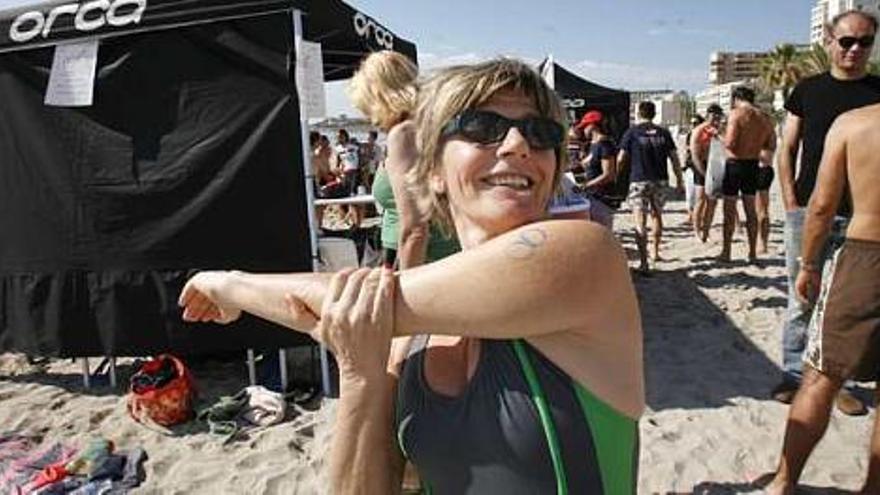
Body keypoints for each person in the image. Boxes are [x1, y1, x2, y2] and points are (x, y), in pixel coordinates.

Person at [178, 58, 643, 494]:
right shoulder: (410, 339)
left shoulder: (587, 257)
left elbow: (352, 303)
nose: (519, 144)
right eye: (482, 127)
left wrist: (228, 283)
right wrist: (360, 373)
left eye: (541, 133)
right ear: (435, 170)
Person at [763, 103, 880, 495]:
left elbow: (822, 206)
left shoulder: (855, 123)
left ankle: (784, 481)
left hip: (866, 254)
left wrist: (809, 264)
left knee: (819, 376)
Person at [770, 9, 880, 414]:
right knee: (801, 297)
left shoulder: (877, 92)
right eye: (847, 41)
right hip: (808, 210)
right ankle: (794, 375)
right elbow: (787, 147)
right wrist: (790, 200)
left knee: (848, 305)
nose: (854, 49)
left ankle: (840, 382)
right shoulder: (808, 90)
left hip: (862, 218)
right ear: (830, 42)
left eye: (864, 42)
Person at [349, 50, 460, 270]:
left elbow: (416, 228)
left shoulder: (405, 134)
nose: (369, 118)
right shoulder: (437, 126)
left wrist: (406, 287)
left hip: (424, 261)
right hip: (443, 256)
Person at [618, 100, 684, 273]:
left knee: (640, 219)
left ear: (639, 113)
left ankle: (644, 262)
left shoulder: (632, 132)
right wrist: (679, 180)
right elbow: (674, 158)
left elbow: (621, 158)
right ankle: (655, 251)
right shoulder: (663, 133)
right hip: (660, 179)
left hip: (638, 179)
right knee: (657, 215)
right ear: (654, 114)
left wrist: (617, 176)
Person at [718, 86, 775, 263]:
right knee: (751, 210)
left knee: (729, 210)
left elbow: (731, 143)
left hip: (735, 164)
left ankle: (726, 252)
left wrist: (720, 137)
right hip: (753, 164)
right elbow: (771, 144)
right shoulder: (764, 117)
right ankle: (752, 252)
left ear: (736, 98)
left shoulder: (736, 114)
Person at [689, 105, 725, 242]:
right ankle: (697, 231)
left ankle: (706, 231)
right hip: (701, 166)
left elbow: (726, 146)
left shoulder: (719, 130)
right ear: (708, 115)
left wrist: (718, 134)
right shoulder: (699, 130)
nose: (716, 119)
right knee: (701, 199)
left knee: (713, 201)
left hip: (714, 164)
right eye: (714, 116)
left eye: (718, 117)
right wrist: (703, 173)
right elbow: (695, 154)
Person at [578, 110, 618, 228]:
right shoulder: (592, 145)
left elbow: (608, 174)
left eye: (585, 126)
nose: (583, 130)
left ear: (593, 126)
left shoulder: (605, 144)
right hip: (591, 196)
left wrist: (586, 185)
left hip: (602, 197)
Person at [682, 114, 705, 227]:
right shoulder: (690, 135)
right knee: (690, 195)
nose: (692, 125)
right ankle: (691, 216)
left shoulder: (704, 136)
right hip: (690, 167)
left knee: (699, 196)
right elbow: (687, 152)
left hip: (700, 168)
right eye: (691, 123)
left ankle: (698, 218)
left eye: (695, 123)